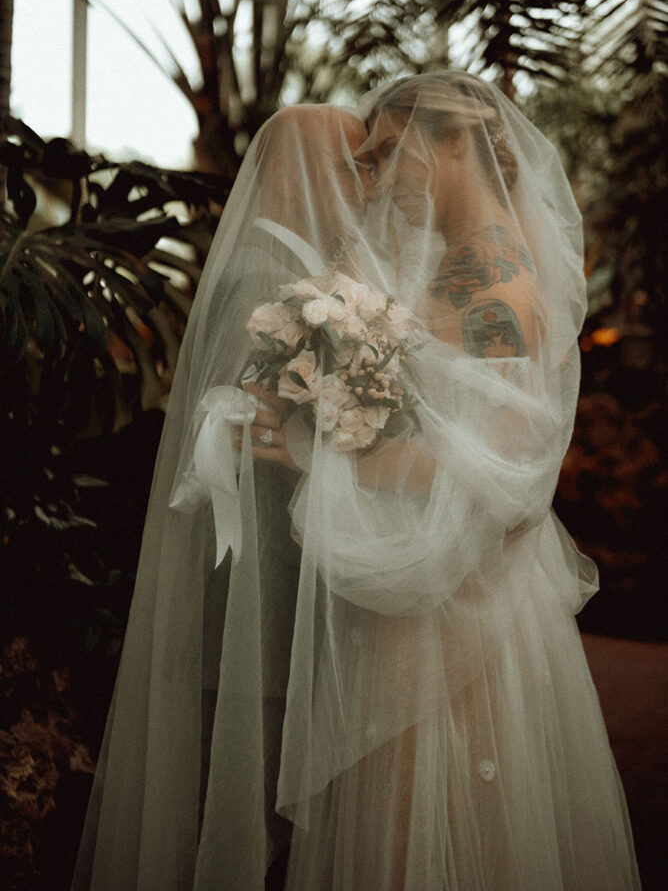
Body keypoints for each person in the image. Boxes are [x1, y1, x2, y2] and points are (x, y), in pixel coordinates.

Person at [71, 74, 641, 891]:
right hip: (406, 598)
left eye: (386, 152)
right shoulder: (447, 269)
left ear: (451, 143)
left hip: (454, 622)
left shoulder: (496, 290)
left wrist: (322, 455)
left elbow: (508, 476)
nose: (372, 176)